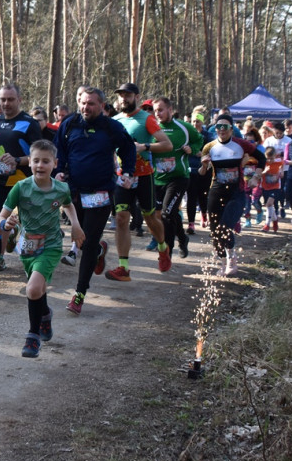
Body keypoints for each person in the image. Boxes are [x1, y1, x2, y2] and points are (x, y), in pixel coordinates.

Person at [0, 140, 85, 358]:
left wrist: (76, 225)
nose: (40, 165)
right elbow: (1, 216)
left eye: (45, 161)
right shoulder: (21, 187)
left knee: (33, 288)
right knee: (39, 289)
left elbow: (68, 205)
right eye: (36, 161)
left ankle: (32, 337)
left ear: (54, 164)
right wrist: (4, 224)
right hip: (27, 247)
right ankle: (44, 315)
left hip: (51, 246)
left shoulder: (61, 188)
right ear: (30, 162)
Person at [54, 87, 136, 315]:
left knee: (88, 243)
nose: (86, 107)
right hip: (75, 191)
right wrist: (58, 171)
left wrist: (128, 173)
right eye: (82, 103)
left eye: (91, 104)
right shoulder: (69, 125)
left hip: (101, 192)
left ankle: (79, 294)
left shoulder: (111, 127)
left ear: (101, 106)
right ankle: (98, 250)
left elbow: (128, 148)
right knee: (81, 239)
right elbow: (58, 150)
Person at [0, 83, 43, 293]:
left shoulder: (29, 123)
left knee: (32, 228)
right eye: (3, 100)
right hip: (0, 181)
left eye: (10, 99)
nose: (6, 104)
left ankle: (35, 273)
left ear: (19, 100)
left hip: (25, 181)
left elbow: (38, 156)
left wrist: (17, 160)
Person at [108, 83, 173, 278]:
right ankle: (123, 267)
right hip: (122, 178)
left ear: (137, 97)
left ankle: (163, 248)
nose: (123, 99)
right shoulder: (115, 120)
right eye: (120, 96)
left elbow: (167, 144)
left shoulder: (147, 119)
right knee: (121, 218)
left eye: (127, 95)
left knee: (150, 218)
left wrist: (144, 146)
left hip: (144, 176)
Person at [198, 114, 265, 276]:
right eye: (218, 127)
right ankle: (222, 263)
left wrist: (256, 176)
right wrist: (204, 165)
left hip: (236, 192)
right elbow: (202, 173)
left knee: (226, 226)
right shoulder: (209, 147)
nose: (221, 130)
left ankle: (231, 258)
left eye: (225, 126)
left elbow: (261, 158)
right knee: (214, 231)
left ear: (232, 129)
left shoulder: (241, 145)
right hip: (216, 191)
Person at [151, 97, 203, 260]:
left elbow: (199, 140)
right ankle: (182, 238)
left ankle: (168, 250)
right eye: (155, 111)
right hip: (158, 178)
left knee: (167, 214)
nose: (158, 114)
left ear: (170, 109)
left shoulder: (184, 127)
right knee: (168, 214)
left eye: (161, 110)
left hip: (178, 178)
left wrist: (192, 149)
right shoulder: (153, 127)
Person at [259, 148, 283, 232]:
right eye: (268, 158)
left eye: (271, 158)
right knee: (269, 206)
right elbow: (258, 174)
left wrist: (281, 171)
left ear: (275, 156)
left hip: (275, 187)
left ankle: (267, 225)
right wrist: (264, 172)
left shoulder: (278, 162)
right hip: (265, 187)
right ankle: (275, 221)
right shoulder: (263, 163)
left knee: (269, 204)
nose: (269, 160)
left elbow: (286, 162)